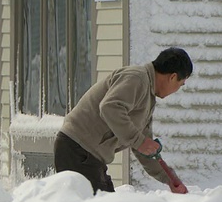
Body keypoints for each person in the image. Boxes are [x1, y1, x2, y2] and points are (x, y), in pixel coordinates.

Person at [54, 47, 192, 194]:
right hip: (77, 149)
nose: (177, 90)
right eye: (180, 84)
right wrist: (139, 141)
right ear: (172, 77)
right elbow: (110, 108)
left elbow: (144, 148)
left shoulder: (148, 98)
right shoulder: (137, 79)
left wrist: (169, 179)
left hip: (89, 156)